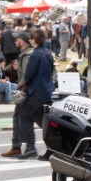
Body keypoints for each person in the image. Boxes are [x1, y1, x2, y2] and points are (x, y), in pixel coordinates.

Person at [12, 28, 55, 159]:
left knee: (25, 116)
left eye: (30, 38)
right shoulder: (47, 52)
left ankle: (30, 148)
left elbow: (29, 74)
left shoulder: (35, 54)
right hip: (47, 90)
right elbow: (52, 70)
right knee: (42, 120)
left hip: (36, 90)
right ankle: (53, 148)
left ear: (35, 40)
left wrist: (24, 87)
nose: (29, 40)